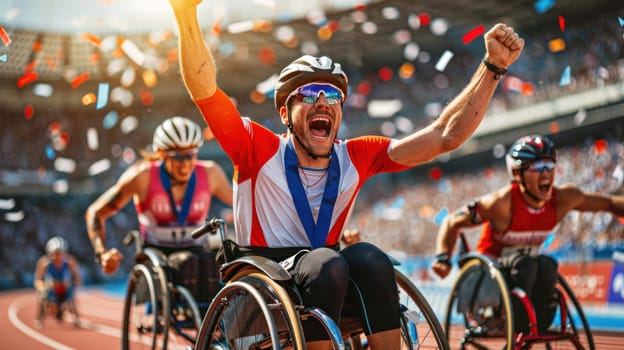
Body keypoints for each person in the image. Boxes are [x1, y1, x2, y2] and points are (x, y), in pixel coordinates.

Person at [167, 0, 524, 347]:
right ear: (285, 114)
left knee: (370, 258)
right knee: (328, 262)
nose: (322, 101)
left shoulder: (357, 154)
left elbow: (444, 136)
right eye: (308, 92)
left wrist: (492, 68)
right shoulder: (257, 148)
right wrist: (185, 12)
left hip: (326, 271)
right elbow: (205, 91)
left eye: (333, 95)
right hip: (264, 277)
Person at [432, 134, 624, 333]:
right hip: (491, 278)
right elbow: (451, 221)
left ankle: (537, 321)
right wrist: (442, 257)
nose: (546, 174)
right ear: (517, 173)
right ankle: (506, 318)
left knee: (547, 264)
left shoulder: (563, 199)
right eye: (538, 167)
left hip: (525, 271)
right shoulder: (501, 203)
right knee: (526, 264)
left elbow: (608, 203)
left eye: (550, 166)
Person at [84, 116, 233, 303]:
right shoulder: (142, 177)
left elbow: (240, 202)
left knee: (217, 262)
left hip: (196, 248)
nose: (186, 163)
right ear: (161, 153)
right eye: (178, 157)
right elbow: (96, 212)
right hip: (157, 252)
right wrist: (102, 253)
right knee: (187, 263)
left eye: (190, 155)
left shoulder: (211, 174)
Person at [34, 236, 82, 329]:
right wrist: (43, 287)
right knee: (41, 296)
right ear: (49, 254)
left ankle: (76, 317)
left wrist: (71, 283)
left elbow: (78, 279)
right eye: (54, 254)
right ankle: (39, 318)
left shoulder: (70, 262)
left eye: (60, 254)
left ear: (64, 253)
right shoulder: (44, 263)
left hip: (65, 288)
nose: (57, 257)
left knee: (72, 295)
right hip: (51, 289)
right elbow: (38, 280)